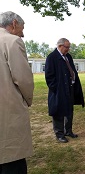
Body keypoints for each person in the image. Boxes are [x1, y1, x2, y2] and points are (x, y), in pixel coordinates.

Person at [0, 11, 34, 174]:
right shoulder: (12, 41)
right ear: (14, 23)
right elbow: (23, 79)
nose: (23, 33)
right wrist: (28, 99)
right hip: (7, 111)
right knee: (12, 159)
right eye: (22, 27)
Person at [45, 38, 85, 143]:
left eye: (69, 47)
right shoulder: (52, 57)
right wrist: (56, 88)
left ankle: (68, 131)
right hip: (59, 90)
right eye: (66, 47)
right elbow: (49, 77)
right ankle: (59, 134)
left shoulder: (68, 57)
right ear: (60, 46)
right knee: (58, 112)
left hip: (70, 88)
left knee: (69, 110)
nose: (68, 49)